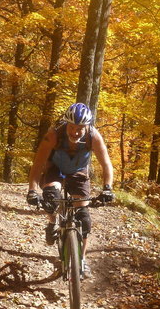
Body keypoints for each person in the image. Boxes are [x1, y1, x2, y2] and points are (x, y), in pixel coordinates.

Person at [26, 102, 114, 278]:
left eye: (80, 128)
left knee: (84, 218)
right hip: (55, 170)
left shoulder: (93, 136)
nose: (75, 132)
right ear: (66, 124)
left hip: (78, 172)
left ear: (86, 126)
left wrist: (107, 188)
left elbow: (106, 164)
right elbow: (37, 165)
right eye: (72, 127)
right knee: (51, 198)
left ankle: (80, 260)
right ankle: (52, 223)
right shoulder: (53, 135)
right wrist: (32, 190)